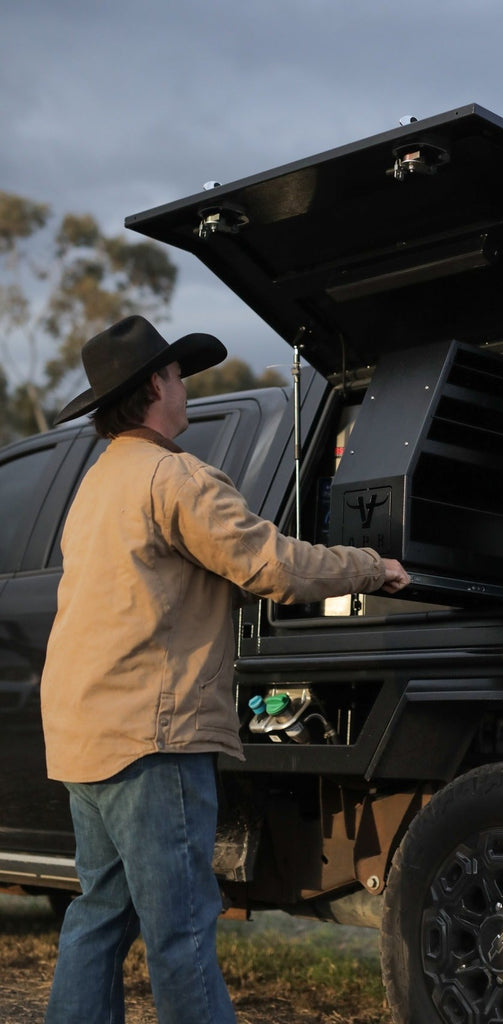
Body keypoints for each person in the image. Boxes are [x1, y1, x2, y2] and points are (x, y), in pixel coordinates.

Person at [40, 315, 409, 1024]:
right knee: (179, 930)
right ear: (156, 384)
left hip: (83, 732)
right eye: (179, 376)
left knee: (99, 916)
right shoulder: (174, 476)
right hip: (152, 738)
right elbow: (269, 564)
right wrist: (371, 566)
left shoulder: (97, 483)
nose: (185, 389)